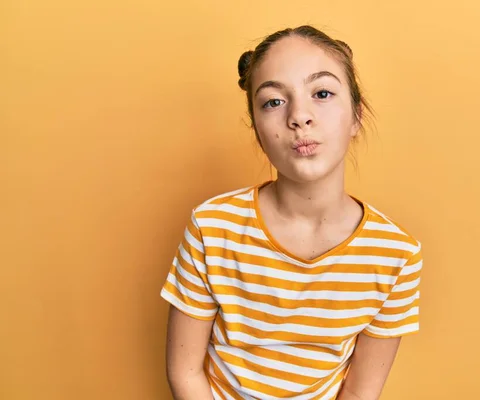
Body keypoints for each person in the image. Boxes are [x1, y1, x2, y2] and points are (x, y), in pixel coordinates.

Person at [160, 25, 423, 400]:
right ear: (256, 129)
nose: (299, 117)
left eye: (322, 93)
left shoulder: (396, 255)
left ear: (356, 116)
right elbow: (184, 373)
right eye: (273, 101)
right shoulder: (212, 227)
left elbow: (360, 393)